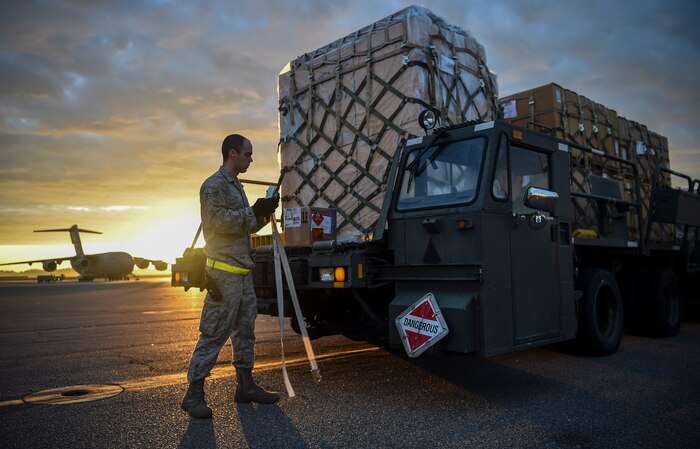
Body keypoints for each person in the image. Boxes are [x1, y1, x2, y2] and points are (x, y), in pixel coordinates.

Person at [181, 134, 280, 419]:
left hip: (242, 273)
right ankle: (193, 394)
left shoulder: (237, 186)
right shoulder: (213, 185)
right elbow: (217, 222)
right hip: (223, 276)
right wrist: (252, 212)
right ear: (232, 153)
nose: (251, 159)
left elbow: (243, 227)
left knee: (245, 332)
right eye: (248, 154)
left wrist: (262, 214)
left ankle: (245, 386)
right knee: (213, 334)